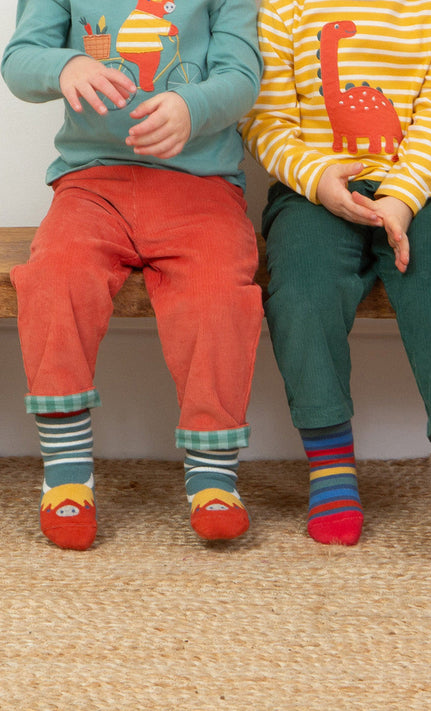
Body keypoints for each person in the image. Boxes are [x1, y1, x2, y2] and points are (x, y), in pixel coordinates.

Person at [2, 0, 264, 550]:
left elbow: (242, 75)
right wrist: (66, 65)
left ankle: (213, 474)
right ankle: (66, 473)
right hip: (92, 183)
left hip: (202, 187)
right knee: (54, 277)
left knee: (218, 293)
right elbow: (19, 60)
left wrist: (192, 106)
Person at [240, 0, 431, 545]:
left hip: (422, 186)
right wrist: (319, 180)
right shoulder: (284, 7)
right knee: (301, 288)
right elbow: (265, 120)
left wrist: (402, 199)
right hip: (313, 189)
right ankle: (330, 462)